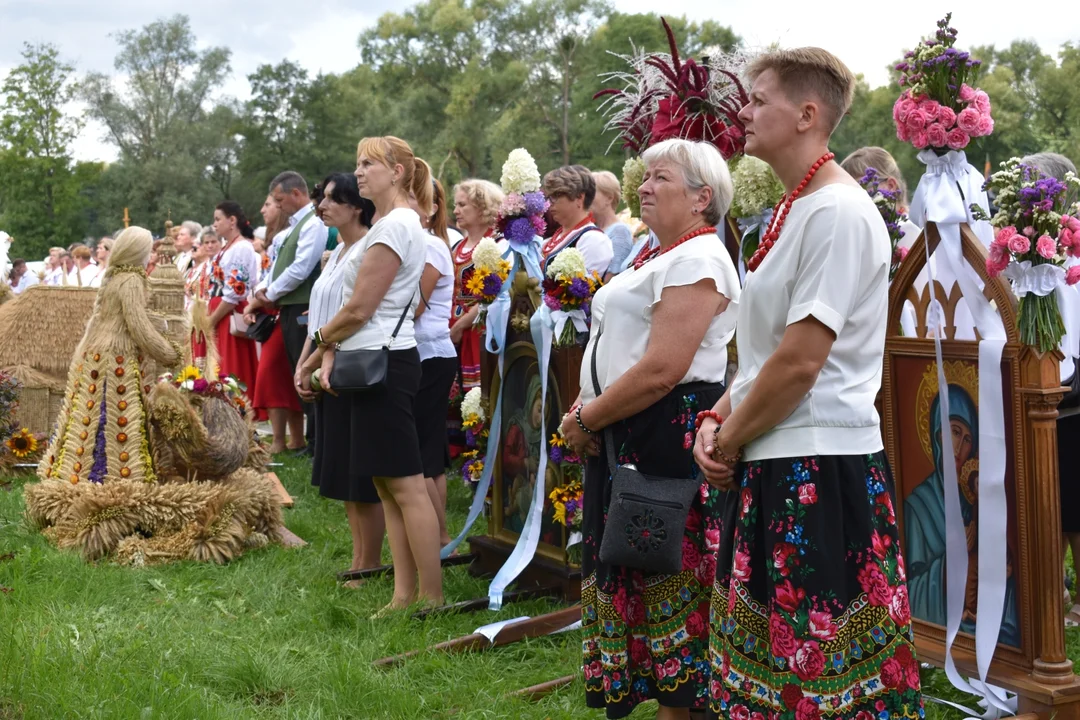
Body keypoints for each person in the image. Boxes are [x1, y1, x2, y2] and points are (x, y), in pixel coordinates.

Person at [694, 48, 923, 719]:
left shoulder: (836, 213)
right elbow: (768, 354)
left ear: (807, 114)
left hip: (818, 467)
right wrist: (722, 414)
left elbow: (801, 363)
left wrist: (728, 438)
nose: (746, 111)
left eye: (759, 98)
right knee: (773, 666)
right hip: (778, 454)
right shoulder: (799, 209)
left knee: (819, 679)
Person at [559, 138, 740, 720]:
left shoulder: (700, 259)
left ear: (700, 197)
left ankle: (681, 707)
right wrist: (586, 410)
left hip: (666, 432)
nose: (642, 187)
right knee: (639, 567)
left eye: (659, 178)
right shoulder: (654, 252)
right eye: (644, 177)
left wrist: (588, 416)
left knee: (669, 571)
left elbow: (663, 369)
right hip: (628, 428)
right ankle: (665, 700)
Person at [301, 135, 442, 613]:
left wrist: (318, 345)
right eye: (357, 163)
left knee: (406, 484)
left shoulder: (394, 226)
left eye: (369, 164)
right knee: (387, 484)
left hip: (384, 360)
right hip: (373, 359)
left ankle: (430, 596)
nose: (358, 172)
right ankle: (405, 593)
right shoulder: (390, 223)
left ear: (397, 172)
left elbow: (360, 307)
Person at [295, 173, 384, 585]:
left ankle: (369, 563)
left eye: (333, 199)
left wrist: (312, 361)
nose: (322, 205)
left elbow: (349, 317)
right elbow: (318, 320)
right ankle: (357, 557)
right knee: (344, 474)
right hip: (324, 363)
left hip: (350, 366)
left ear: (355, 207)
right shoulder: (334, 254)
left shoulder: (368, 249)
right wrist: (303, 363)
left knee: (361, 473)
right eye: (321, 198)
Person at [39, 226, 181, 485]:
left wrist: (158, 325)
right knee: (114, 418)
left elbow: (127, 316)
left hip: (96, 354)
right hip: (117, 358)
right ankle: (113, 476)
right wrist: (169, 353)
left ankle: (76, 474)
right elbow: (137, 326)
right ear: (139, 251)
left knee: (87, 417)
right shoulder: (131, 280)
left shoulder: (116, 277)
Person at [248, 171, 329, 454]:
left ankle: (317, 441)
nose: (278, 205)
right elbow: (279, 268)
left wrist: (269, 294)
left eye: (281, 199)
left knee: (307, 369)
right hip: (290, 305)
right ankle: (313, 440)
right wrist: (263, 289)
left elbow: (301, 268)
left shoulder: (313, 224)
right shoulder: (296, 226)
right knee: (300, 370)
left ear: (297, 194)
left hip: (301, 305)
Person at [410, 173, 459, 548]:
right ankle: (435, 534)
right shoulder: (418, 244)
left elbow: (414, 307)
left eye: (412, 198)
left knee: (423, 453)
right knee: (426, 449)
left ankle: (440, 536)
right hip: (421, 353)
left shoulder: (431, 246)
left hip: (431, 352)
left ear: (431, 208)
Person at [249, 192, 305, 454]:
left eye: (270, 204)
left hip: (282, 309)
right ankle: (291, 438)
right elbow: (267, 275)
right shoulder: (276, 238)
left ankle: (285, 439)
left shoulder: (290, 234)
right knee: (280, 374)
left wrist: (263, 297)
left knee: (274, 373)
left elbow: (289, 273)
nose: (264, 209)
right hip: (272, 309)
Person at [192, 201, 261, 406]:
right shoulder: (228, 248)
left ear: (232, 221)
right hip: (219, 308)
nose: (215, 224)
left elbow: (235, 293)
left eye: (218, 219)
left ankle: (238, 407)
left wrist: (211, 320)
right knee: (218, 362)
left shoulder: (241, 248)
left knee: (231, 365)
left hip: (226, 312)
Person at [449, 179, 503, 396]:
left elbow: (492, 297)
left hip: (478, 331)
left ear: (482, 207)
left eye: (462, 205)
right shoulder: (457, 246)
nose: (455, 211)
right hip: (453, 331)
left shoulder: (498, 245)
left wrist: (461, 325)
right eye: (456, 205)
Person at [541, 165, 613, 277]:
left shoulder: (594, 240)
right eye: (548, 197)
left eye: (556, 195)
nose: (550, 203)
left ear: (579, 197)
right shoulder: (549, 241)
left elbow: (582, 289)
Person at [591, 170, 635, 281]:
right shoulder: (595, 229)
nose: (586, 199)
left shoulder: (619, 231)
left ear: (609, 198)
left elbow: (612, 277)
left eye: (592, 193)